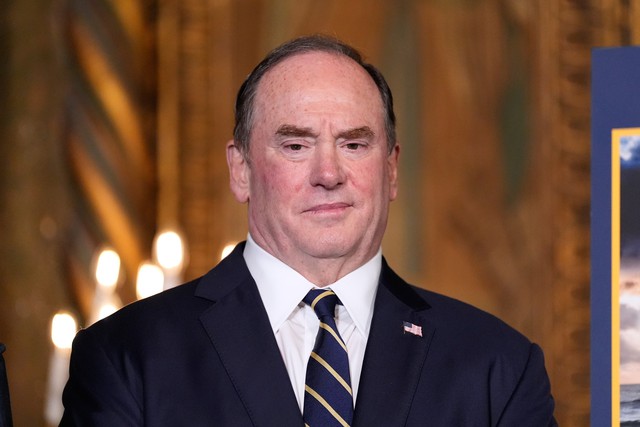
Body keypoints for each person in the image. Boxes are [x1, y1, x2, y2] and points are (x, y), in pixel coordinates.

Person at [60, 35, 556, 426]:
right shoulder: (127, 357)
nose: (328, 173)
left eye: (354, 145)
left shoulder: (497, 368)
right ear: (241, 170)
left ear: (391, 169)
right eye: (295, 146)